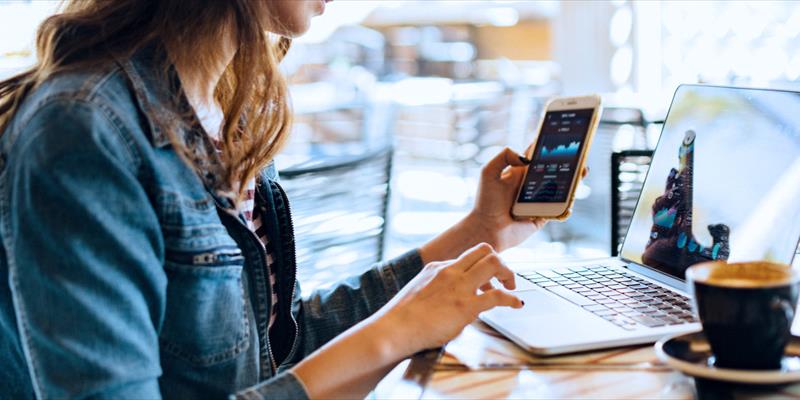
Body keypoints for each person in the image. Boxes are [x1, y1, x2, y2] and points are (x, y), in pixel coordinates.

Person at [0, 1, 562, 398]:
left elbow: (281, 349)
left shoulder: (227, 113)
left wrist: (483, 229)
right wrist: (397, 332)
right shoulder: (82, 132)